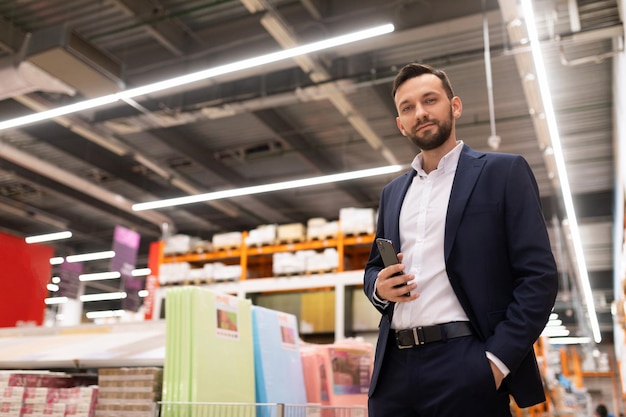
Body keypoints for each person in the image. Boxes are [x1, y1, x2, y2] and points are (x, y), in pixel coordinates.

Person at [363, 63, 559, 417]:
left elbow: (539, 277)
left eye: (429, 100)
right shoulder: (393, 193)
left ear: (454, 106)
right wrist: (378, 287)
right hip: (392, 370)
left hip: (465, 362)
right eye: (408, 107)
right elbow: (373, 268)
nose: (420, 112)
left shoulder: (503, 173)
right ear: (400, 124)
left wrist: (495, 363)